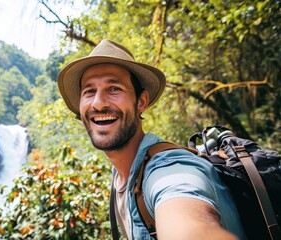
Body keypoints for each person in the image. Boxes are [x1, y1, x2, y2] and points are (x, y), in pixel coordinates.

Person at [57, 39, 246, 239]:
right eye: (89, 91)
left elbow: (185, 215)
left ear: (141, 102)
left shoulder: (169, 169)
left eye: (114, 89)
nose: (99, 103)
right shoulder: (121, 173)